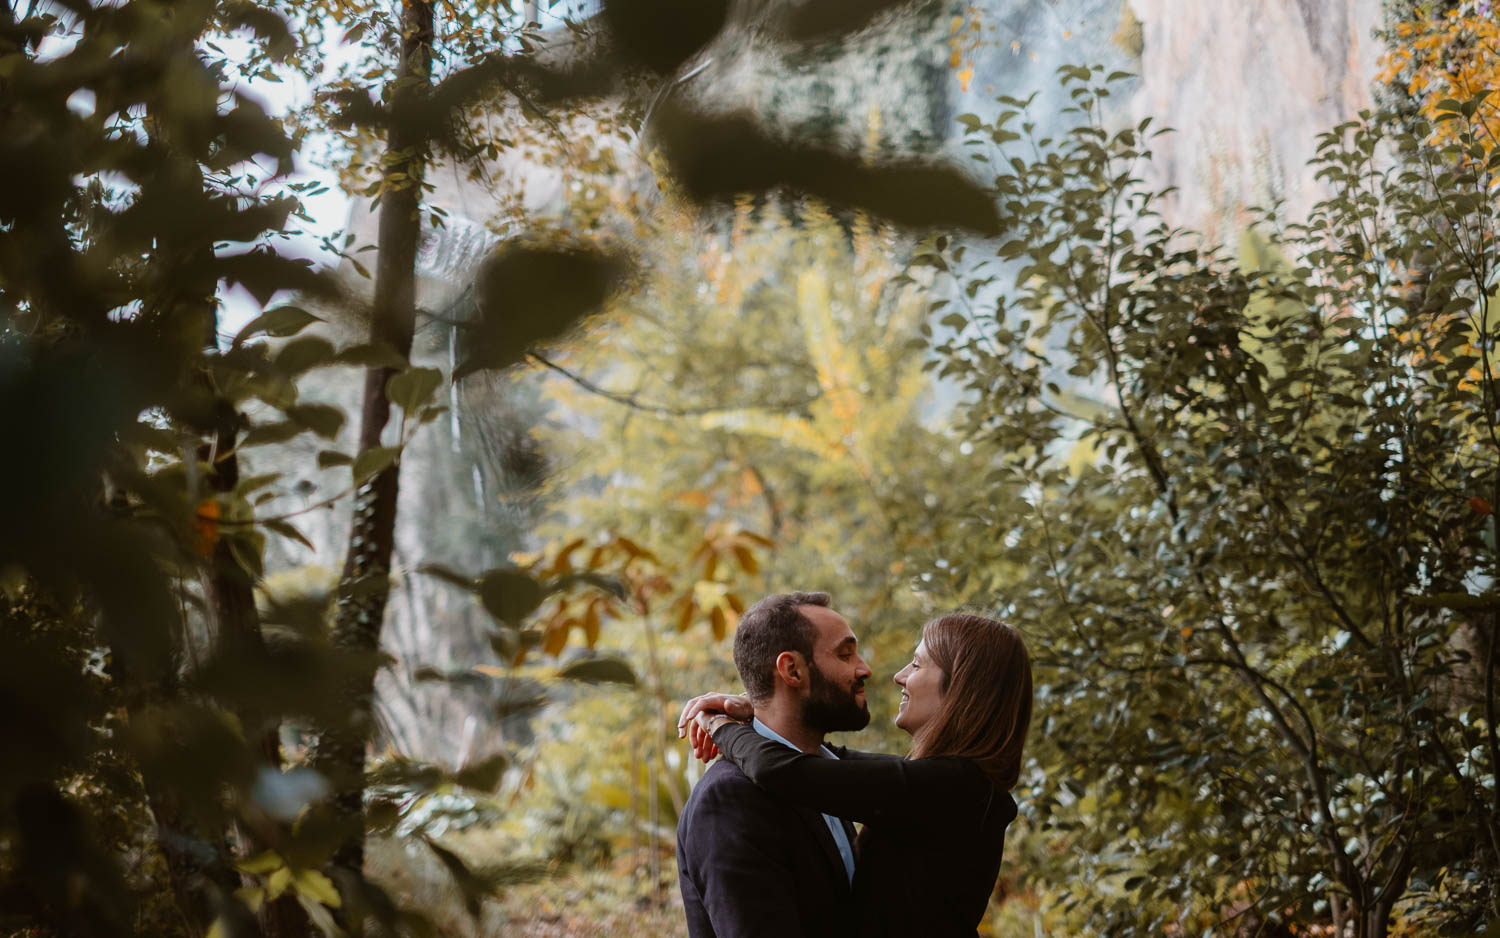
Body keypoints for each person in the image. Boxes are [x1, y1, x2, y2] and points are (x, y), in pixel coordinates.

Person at [678, 612, 1033, 938]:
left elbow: (784, 770)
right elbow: (830, 763)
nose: (899, 676)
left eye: (917, 664)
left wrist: (718, 723)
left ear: (960, 689)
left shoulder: (954, 787)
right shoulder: (948, 785)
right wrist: (758, 712)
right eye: (845, 655)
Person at [674, 591, 874, 938]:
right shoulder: (730, 799)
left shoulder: (826, 774)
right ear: (792, 670)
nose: (864, 668)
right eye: (845, 654)